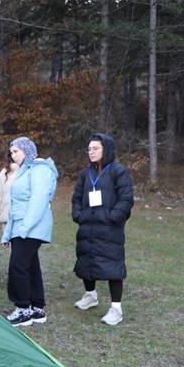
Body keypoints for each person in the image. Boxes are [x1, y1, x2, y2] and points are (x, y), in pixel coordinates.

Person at [71, 133, 134, 326]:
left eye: (95, 148)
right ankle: (90, 296)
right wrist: (78, 215)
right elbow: (76, 197)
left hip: (109, 229)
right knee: (86, 261)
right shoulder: (85, 173)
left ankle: (116, 309)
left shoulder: (118, 171)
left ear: (106, 149)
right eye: (89, 149)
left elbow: (126, 199)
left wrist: (112, 217)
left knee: (112, 265)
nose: (91, 152)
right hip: (87, 226)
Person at [1, 137, 58, 327]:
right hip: (21, 227)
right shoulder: (24, 171)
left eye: (16, 151)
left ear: (27, 151)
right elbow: (15, 206)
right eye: (11, 152)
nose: (13, 155)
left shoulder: (40, 170)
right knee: (31, 266)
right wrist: (7, 234)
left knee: (18, 266)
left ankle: (23, 308)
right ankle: (37, 308)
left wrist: (24, 229)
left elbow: (38, 202)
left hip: (31, 228)